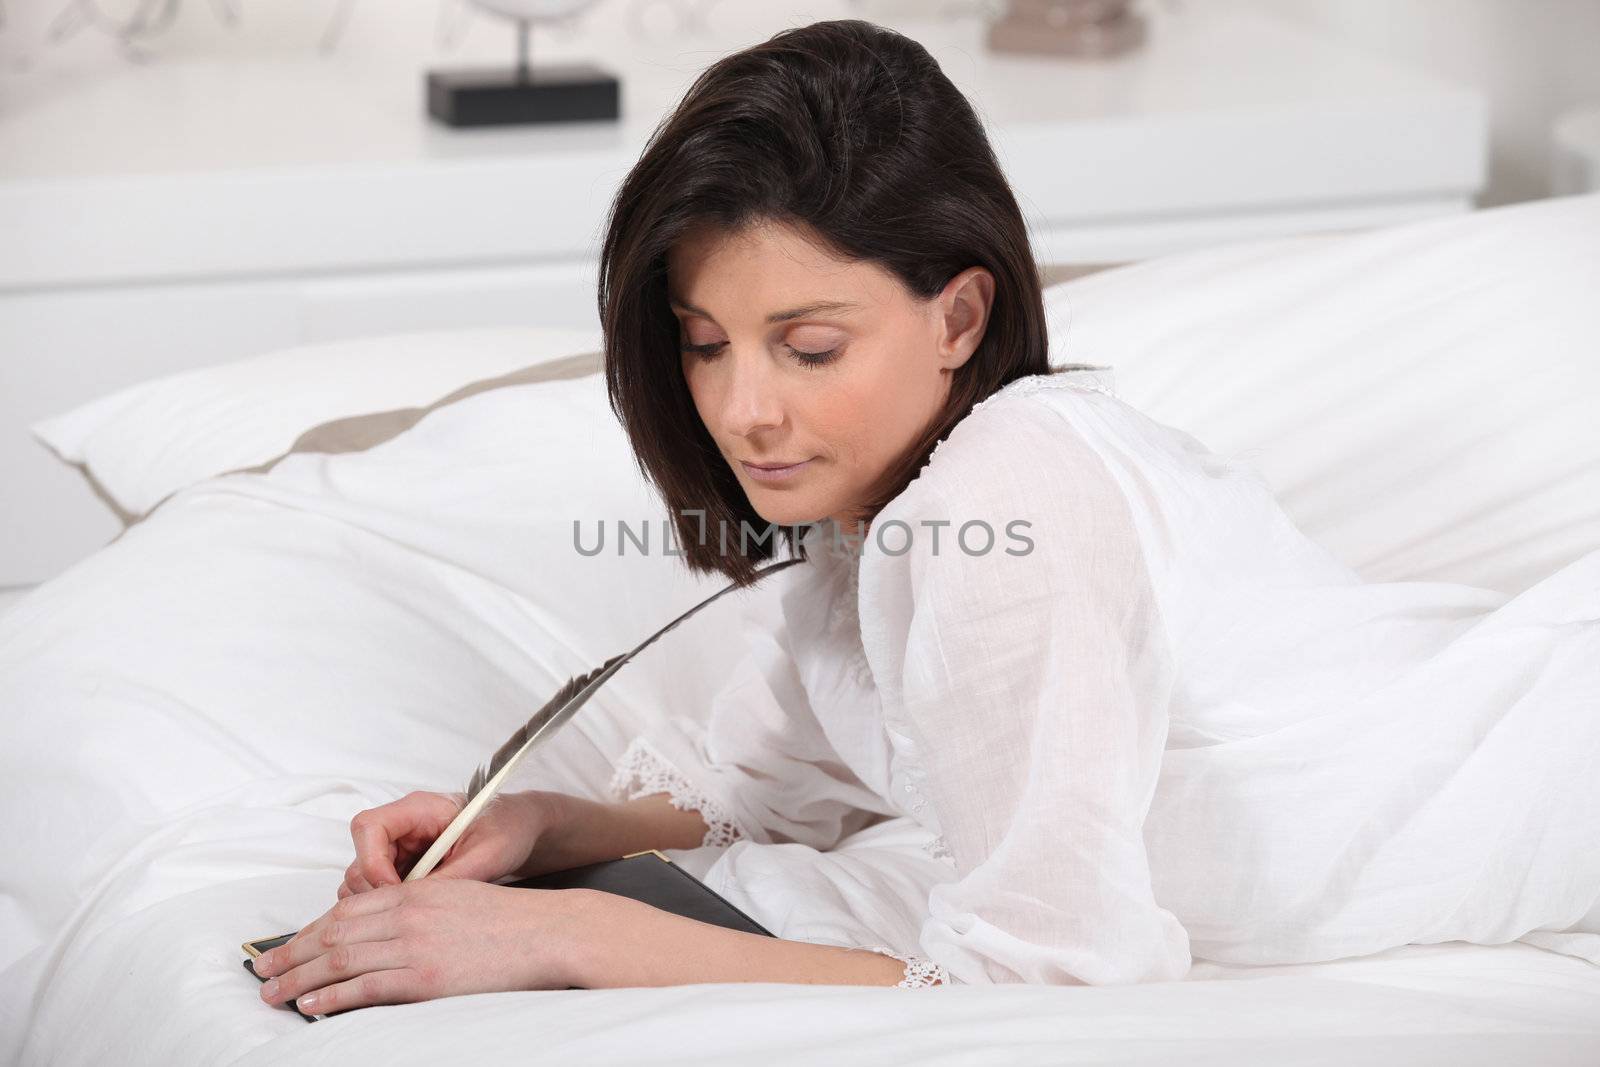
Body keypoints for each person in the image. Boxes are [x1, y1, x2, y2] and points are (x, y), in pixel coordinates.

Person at [251, 19, 1600, 1014]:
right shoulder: (874, 523)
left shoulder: (1005, 496)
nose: (743, 408)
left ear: (959, 315)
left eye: (808, 345)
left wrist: (558, 943)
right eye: (706, 342)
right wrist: (544, 829)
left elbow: (1050, 972)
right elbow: (775, 782)